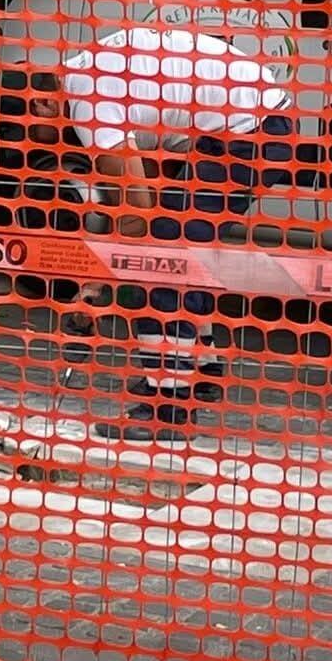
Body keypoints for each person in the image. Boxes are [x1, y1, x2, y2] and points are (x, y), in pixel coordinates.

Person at [46, 26, 295, 442]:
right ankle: (203, 368)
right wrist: (94, 285)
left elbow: (135, 217)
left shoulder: (88, 106)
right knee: (179, 244)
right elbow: (123, 197)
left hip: (251, 136)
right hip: (248, 126)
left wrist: (95, 290)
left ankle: (168, 408)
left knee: (160, 256)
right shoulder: (86, 70)